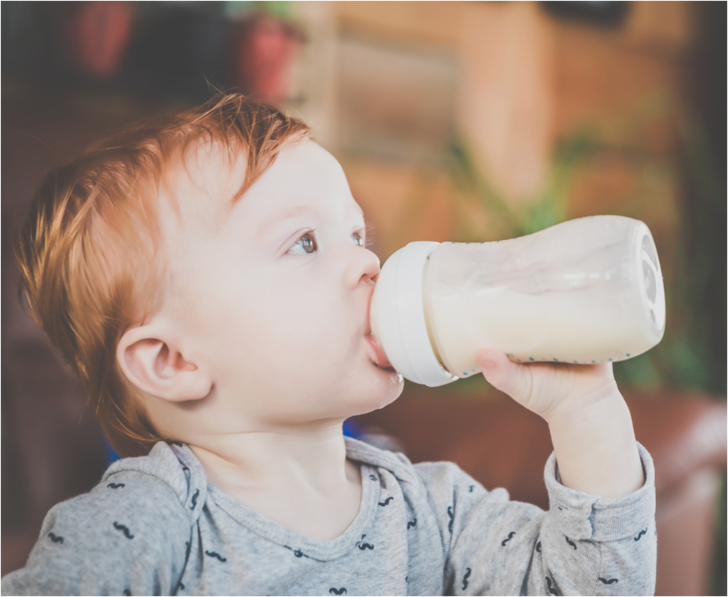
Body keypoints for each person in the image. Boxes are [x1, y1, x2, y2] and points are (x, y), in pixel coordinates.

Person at [3, 94, 656, 596]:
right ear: (174, 361)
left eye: (357, 234)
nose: (369, 264)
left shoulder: (430, 506)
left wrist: (587, 412)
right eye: (305, 244)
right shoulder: (145, 522)